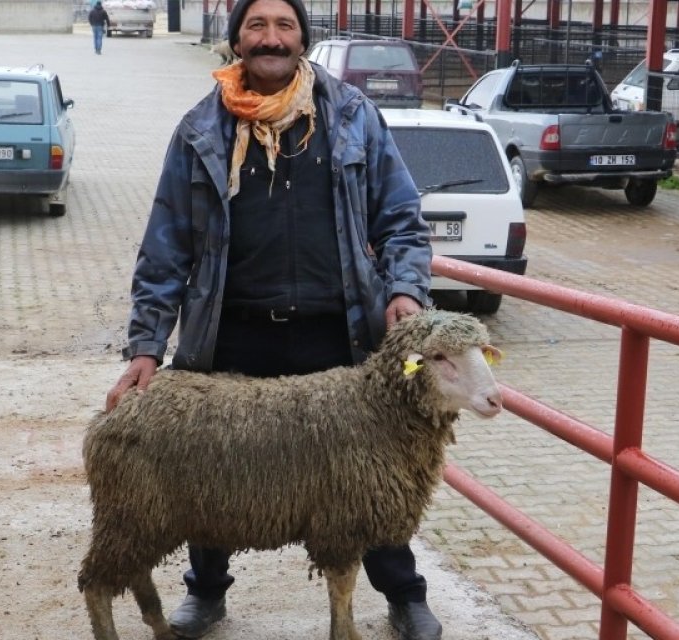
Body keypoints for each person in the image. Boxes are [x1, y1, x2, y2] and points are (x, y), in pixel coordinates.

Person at [103, 0, 438, 637]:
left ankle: (404, 593)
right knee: (213, 466)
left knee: (367, 473)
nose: (271, 38)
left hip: (337, 332)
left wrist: (405, 292)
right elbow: (166, 245)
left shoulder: (351, 116)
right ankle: (206, 590)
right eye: (257, 26)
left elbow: (400, 218)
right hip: (234, 329)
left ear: (303, 39)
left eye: (284, 26)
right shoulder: (201, 129)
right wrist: (145, 346)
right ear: (236, 41)